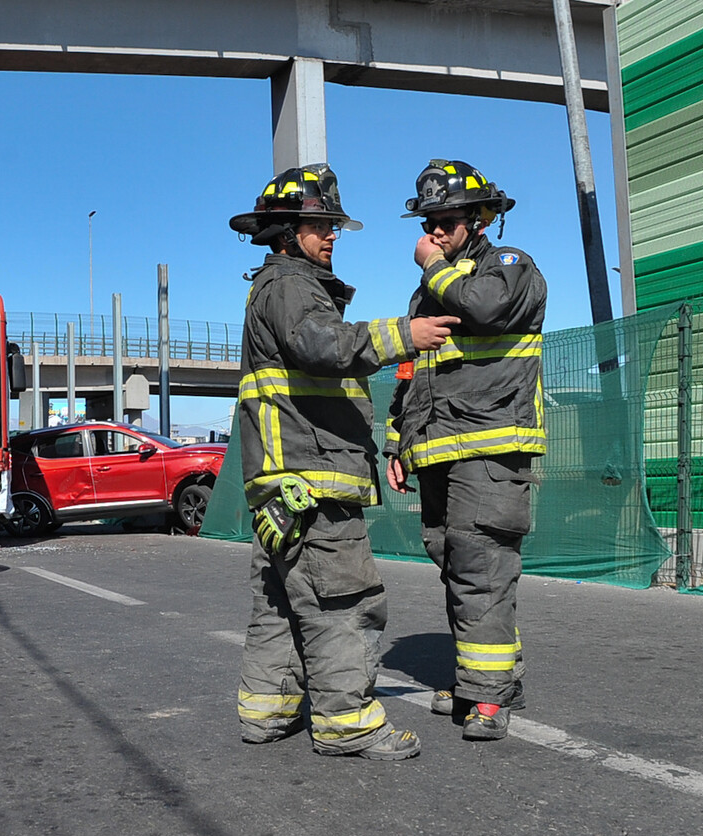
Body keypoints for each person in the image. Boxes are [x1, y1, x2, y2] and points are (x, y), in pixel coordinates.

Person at [229, 163, 458, 761]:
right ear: (286, 230)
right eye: (320, 224)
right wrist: (406, 334)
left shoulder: (271, 287)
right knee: (343, 602)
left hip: (283, 485)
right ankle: (348, 722)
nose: (331, 235)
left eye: (333, 224)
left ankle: (267, 711)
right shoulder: (291, 287)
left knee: (281, 602)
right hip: (315, 480)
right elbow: (323, 346)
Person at [384, 158, 547, 741]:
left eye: (447, 219)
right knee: (454, 564)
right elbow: (412, 373)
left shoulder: (509, 267)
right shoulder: (429, 290)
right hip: (437, 451)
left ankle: (487, 697)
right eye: (429, 220)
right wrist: (398, 443)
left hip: (490, 450)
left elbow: (485, 308)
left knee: (480, 567)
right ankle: (490, 676)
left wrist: (434, 267)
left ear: (478, 218)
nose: (434, 231)